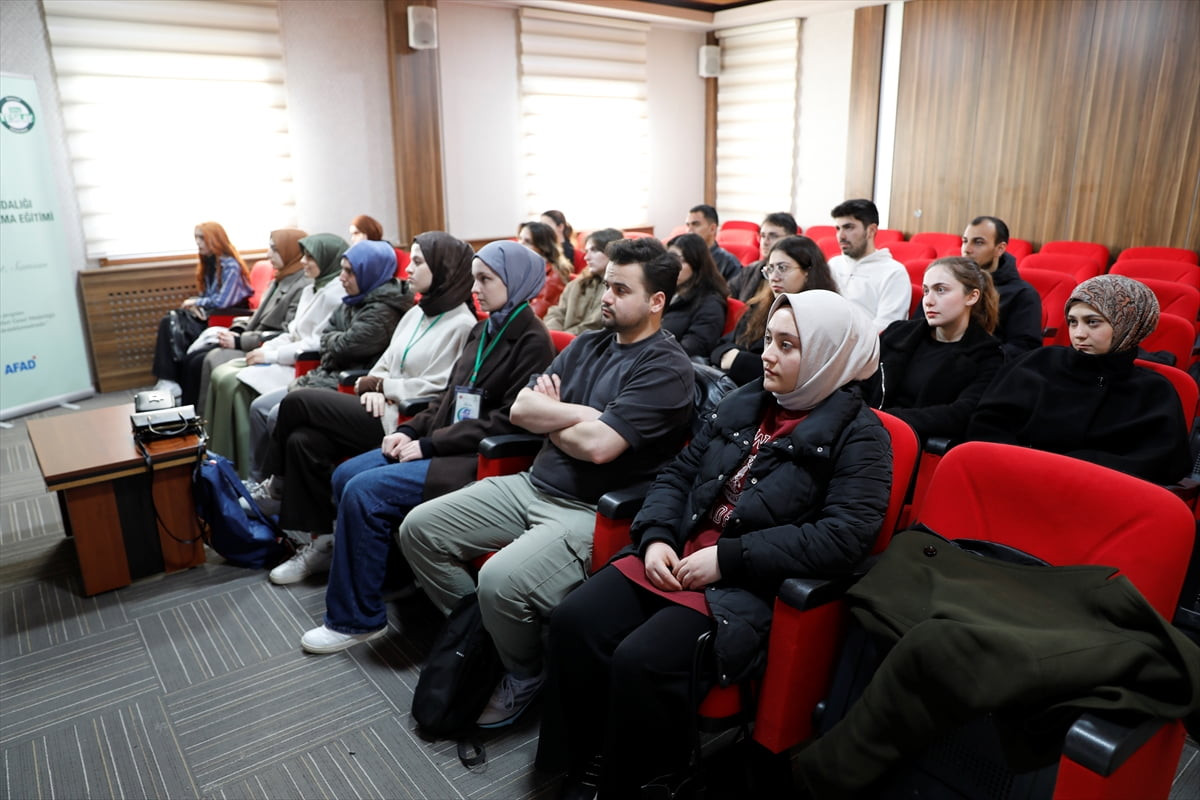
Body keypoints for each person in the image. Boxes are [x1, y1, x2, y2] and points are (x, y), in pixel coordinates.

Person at [536, 290, 891, 797]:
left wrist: (728, 557)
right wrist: (656, 535)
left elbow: (844, 536)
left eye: (787, 346)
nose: (767, 353)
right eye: (769, 339)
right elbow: (679, 473)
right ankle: (582, 755)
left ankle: (631, 780)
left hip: (747, 581)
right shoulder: (747, 401)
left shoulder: (862, 436)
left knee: (642, 659)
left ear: (827, 358)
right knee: (574, 620)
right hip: (679, 550)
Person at [398, 236, 696, 729]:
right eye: (606, 285)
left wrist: (555, 416)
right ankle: (491, 638)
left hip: (590, 510)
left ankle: (525, 669)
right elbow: (520, 409)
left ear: (656, 301)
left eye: (621, 290)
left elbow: (600, 447)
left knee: (498, 580)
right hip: (531, 484)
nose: (605, 297)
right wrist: (588, 416)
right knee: (419, 530)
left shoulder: (666, 367)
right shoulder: (586, 344)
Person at [297, 241, 558, 651]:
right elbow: (448, 398)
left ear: (516, 282)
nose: (475, 288)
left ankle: (356, 619)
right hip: (446, 443)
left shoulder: (532, 341)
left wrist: (431, 445)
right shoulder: (483, 327)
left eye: (486, 280)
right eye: (474, 278)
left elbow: (507, 420)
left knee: (365, 491)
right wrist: (412, 431)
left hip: (482, 459)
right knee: (346, 473)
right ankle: (388, 579)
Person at [250, 233, 477, 583]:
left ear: (443, 269)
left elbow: (438, 388)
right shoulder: (417, 311)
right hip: (377, 410)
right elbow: (382, 364)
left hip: (405, 423)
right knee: (303, 440)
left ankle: (275, 485)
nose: (409, 270)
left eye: (418, 262)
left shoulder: (462, 324)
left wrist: (384, 389)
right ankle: (322, 543)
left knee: (295, 401)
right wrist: (372, 384)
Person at [968, 274, 1189, 484]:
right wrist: (1022, 465)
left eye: (1092, 322)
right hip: (1012, 481)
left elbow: (1160, 464)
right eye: (1073, 322)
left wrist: (1073, 468)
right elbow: (988, 425)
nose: (1079, 334)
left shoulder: (1154, 392)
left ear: (1128, 326)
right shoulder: (1035, 364)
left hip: (1098, 501)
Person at [238, 239, 410, 481]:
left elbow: (344, 347)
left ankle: (275, 484)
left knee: (279, 414)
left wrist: (333, 343)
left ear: (369, 272)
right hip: (326, 375)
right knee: (260, 408)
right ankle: (260, 481)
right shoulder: (352, 300)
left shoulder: (383, 310)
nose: (342, 278)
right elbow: (327, 340)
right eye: (342, 270)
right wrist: (334, 343)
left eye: (350, 271)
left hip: (349, 385)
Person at [205, 233, 348, 476]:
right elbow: (292, 332)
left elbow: (315, 342)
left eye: (310, 257)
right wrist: (265, 350)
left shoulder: (336, 294)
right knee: (220, 373)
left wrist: (271, 356)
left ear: (327, 260)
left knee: (235, 384)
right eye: (303, 255)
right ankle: (219, 455)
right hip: (285, 353)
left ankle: (243, 467)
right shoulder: (311, 288)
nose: (303, 261)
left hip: (302, 364)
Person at [872, 257, 1004, 442]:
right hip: (866, 433)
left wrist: (882, 419)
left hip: (915, 443)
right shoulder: (898, 333)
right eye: (926, 291)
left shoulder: (987, 355)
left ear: (972, 296)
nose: (928, 301)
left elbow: (960, 415)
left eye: (940, 290)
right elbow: (860, 381)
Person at [191, 228, 310, 414]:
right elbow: (256, 315)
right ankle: (193, 421)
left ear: (291, 251)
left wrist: (239, 341)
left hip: (266, 345)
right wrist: (237, 330)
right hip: (253, 338)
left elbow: (287, 332)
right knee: (195, 357)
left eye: (275, 249)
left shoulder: (302, 286)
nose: (268, 254)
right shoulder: (280, 278)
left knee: (207, 359)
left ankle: (206, 423)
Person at [710, 235, 837, 386]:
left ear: (808, 271)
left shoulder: (822, 316)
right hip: (739, 386)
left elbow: (799, 371)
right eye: (770, 269)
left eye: (782, 268)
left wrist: (737, 359)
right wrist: (729, 356)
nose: (774, 277)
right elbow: (720, 346)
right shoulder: (760, 306)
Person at [150, 222, 252, 401]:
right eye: (196, 238)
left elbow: (224, 301)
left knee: (172, 322)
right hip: (212, 314)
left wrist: (197, 302)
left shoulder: (230, 266)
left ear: (215, 239)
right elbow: (211, 297)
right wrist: (199, 307)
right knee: (172, 319)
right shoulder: (211, 264)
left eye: (202, 238)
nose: (198, 242)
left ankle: (170, 381)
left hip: (227, 318)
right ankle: (169, 380)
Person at [961, 215, 1043, 359]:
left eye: (978, 242)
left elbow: (1023, 348)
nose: (967, 249)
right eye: (965, 241)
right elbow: (919, 327)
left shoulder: (1022, 294)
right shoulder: (950, 284)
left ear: (1000, 249)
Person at [827, 199, 909, 332]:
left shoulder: (894, 272)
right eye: (838, 228)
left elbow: (886, 326)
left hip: (865, 347)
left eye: (848, 227)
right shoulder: (833, 264)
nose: (840, 236)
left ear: (871, 230)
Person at [543, 228, 623, 335]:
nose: (586, 257)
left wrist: (564, 339)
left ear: (611, 252)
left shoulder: (619, 288)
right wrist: (553, 335)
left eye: (594, 250)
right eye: (586, 251)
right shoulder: (576, 283)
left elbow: (595, 325)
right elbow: (556, 313)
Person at [663, 233, 729, 358]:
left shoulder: (710, 303)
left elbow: (693, 348)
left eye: (678, 260)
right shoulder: (667, 292)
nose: (671, 265)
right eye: (669, 259)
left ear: (696, 263)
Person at [727, 212, 798, 302]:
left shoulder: (796, 274)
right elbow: (727, 293)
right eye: (763, 236)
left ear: (791, 238)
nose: (765, 242)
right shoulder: (751, 269)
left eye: (773, 236)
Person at [522, 221, 573, 318]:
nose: (520, 244)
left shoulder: (553, 277)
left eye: (527, 242)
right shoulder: (527, 269)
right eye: (520, 239)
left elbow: (534, 315)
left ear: (542, 248)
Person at [685, 204, 743, 284]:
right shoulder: (682, 259)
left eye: (696, 224)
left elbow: (734, 293)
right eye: (688, 225)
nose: (689, 231)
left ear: (712, 229)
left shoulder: (729, 263)